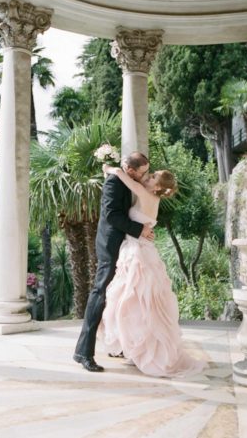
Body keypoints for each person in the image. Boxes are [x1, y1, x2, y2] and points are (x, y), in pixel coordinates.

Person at [99, 165, 207, 378]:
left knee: (134, 301)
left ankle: (139, 350)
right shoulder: (149, 196)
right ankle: (134, 348)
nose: (149, 176)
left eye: (153, 176)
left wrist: (109, 166)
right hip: (138, 249)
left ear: (157, 186)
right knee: (135, 302)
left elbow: (122, 175)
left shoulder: (144, 194)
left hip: (137, 252)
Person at [73, 152, 154, 372]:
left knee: (118, 297)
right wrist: (140, 230)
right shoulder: (114, 183)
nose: (144, 176)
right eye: (142, 172)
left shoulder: (124, 179)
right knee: (99, 294)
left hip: (123, 245)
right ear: (131, 170)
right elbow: (111, 216)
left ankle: (117, 344)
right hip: (110, 245)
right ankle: (83, 353)